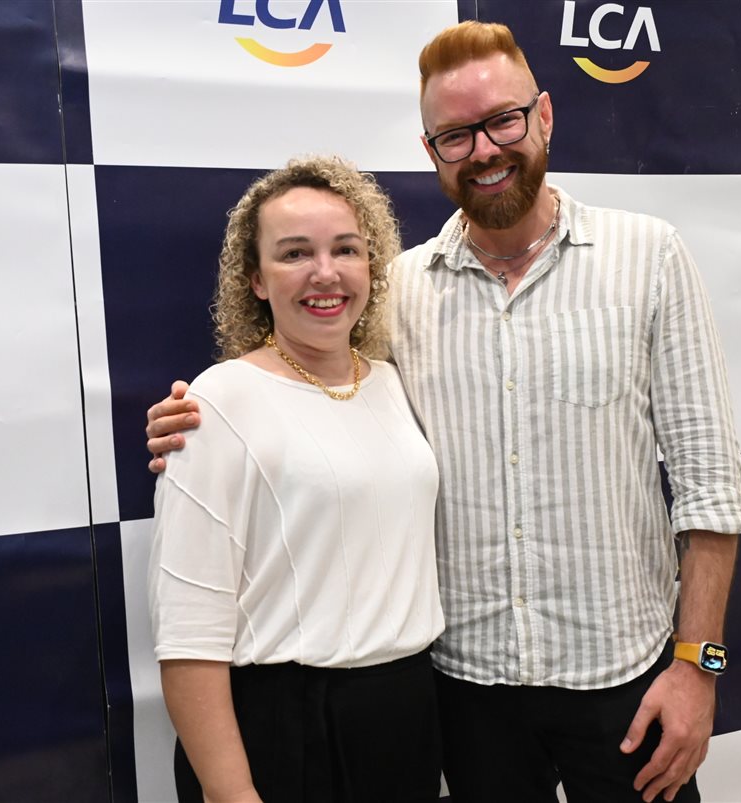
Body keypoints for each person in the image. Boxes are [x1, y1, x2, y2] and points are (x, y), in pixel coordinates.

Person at [147, 22, 741, 803]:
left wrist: (697, 666)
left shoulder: (650, 255)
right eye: (456, 134)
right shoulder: (399, 291)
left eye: (502, 120)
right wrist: (196, 419)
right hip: (464, 700)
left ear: (545, 116)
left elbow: (708, 485)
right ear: (432, 151)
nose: (486, 149)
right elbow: (307, 398)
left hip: (624, 688)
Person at [148, 156, 445, 803]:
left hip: (404, 717)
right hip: (286, 730)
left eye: (346, 249)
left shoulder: (394, 382)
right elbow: (189, 639)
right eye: (294, 253)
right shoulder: (218, 402)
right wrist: (232, 793)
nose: (325, 272)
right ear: (254, 278)